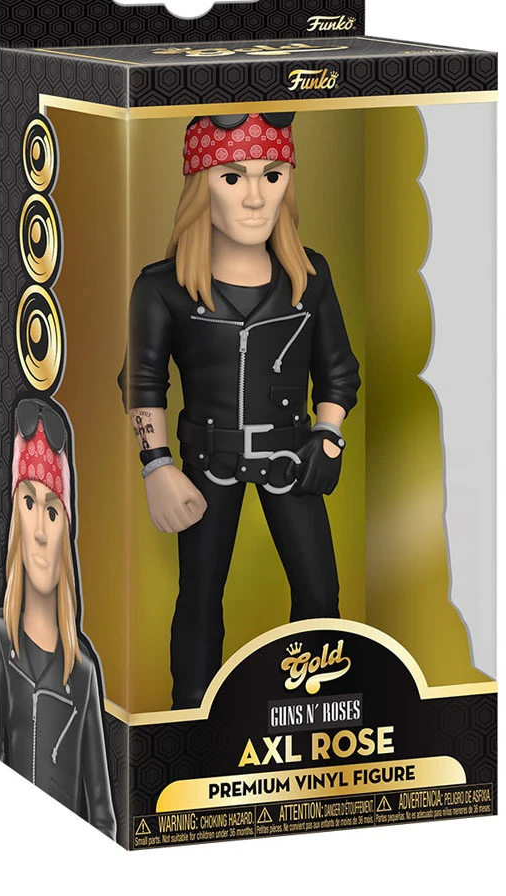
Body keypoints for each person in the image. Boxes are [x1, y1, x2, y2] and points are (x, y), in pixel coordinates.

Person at [118, 113, 361, 709]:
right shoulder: (162, 288)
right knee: (199, 598)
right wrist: (157, 465)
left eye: (272, 175)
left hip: (292, 458)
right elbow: (142, 382)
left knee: (320, 596)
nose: (256, 197)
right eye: (232, 177)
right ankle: (190, 719)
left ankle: (312, 712)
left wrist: (328, 435)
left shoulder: (311, 278)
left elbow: (338, 371)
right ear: (201, 187)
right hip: (207, 460)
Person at [0, 399, 116, 839]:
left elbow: (103, 815)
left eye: (52, 511)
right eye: (28, 503)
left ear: (67, 528)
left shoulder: (82, 674)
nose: (40, 532)